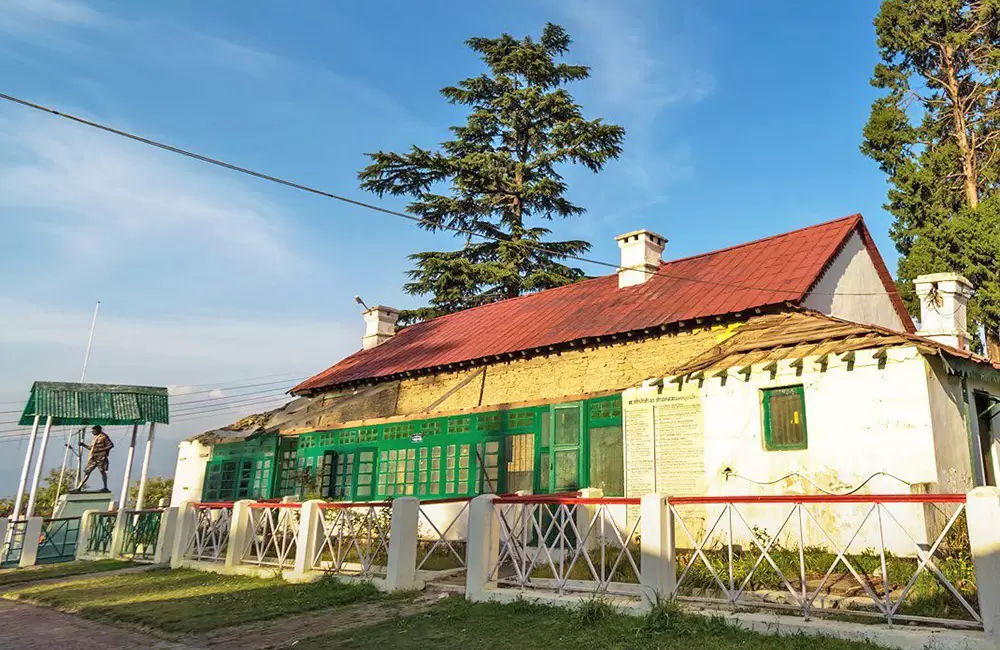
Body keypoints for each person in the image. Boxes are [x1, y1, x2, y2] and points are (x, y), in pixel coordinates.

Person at [72, 425, 114, 492]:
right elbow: (91, 448)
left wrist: (101, 450)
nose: (92, 432)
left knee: (102, 471)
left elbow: (111, 445)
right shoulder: (94, 438)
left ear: (98, 430)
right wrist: (83, 445)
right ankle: (79, 487)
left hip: (101, 457)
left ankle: (105, 487)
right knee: (87, 471)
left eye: (93, 431)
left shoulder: (104, 437)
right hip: (93, 457)